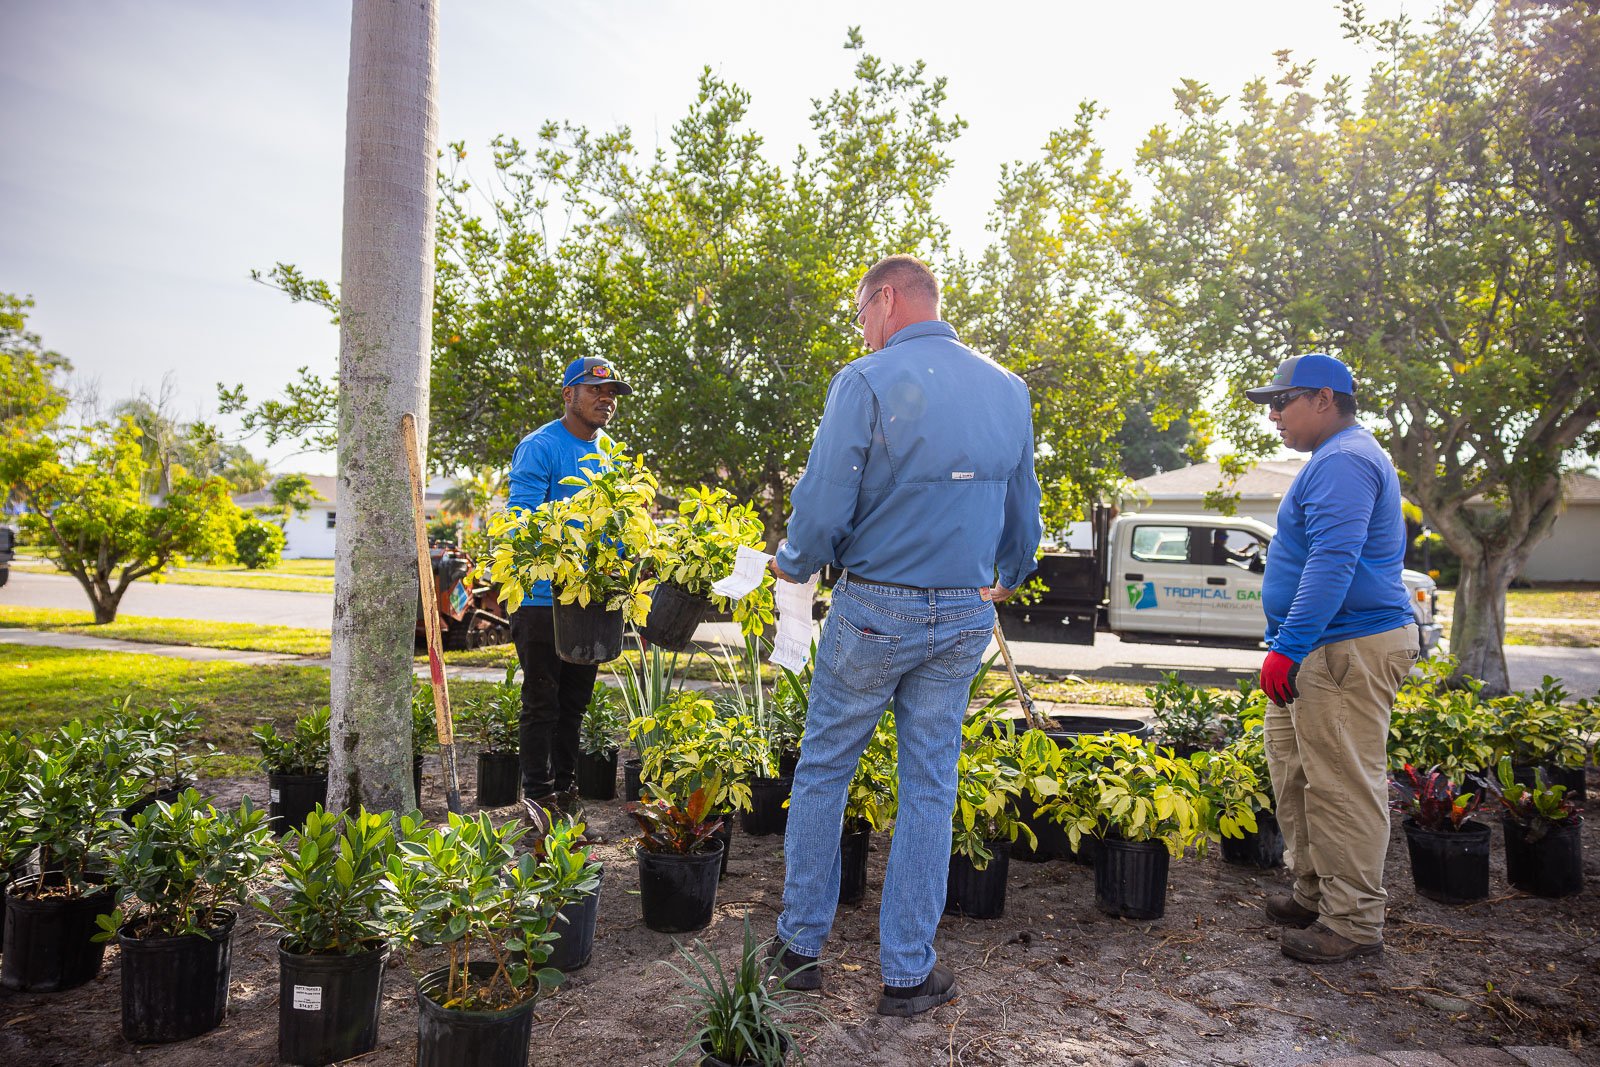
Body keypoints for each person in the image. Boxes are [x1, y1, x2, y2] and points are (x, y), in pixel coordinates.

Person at [768, 255, 1043, 1016]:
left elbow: (824, 504)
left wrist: (792, 563)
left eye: (861, 311)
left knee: (825, 768)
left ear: (886, 298)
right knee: (931, 784)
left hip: (874, 609)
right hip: (961, 611)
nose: (862, 327)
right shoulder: (1008, 388)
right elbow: (1025, 515)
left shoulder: (864, 380)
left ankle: (799, 952)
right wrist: (1006, 574)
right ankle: (908, 975)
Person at [1245, 353, 1418, 964]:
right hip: (1322, 647)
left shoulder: (1345, 460)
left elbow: (1333, 562)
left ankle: (1352, 921)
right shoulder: (1333, 458)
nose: (1272, 415)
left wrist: (1289, 645)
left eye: (1281, 401)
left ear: (1323, 398)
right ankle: (1316, 892)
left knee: (1342, 785)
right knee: (1297, 775)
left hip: (1344, 647)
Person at [508, 356, 632, 810]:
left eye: (612, 393)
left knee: (575, 703)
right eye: (596, 390)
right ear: (568, 395)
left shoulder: (609, 452)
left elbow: (617, 526)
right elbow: (519, 518)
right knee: (542, 699)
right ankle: (538, 798)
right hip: (542, 599)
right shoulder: (540, 446)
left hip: (592, 601)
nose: (606, 399)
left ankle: (564, 788)